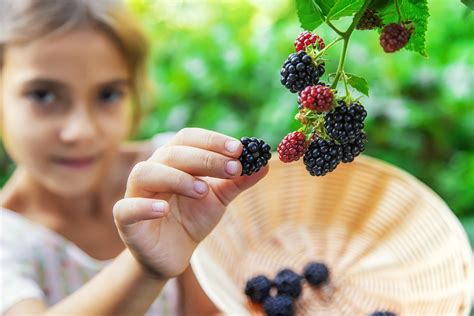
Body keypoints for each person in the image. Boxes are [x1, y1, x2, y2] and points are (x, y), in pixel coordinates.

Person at [0, 0, 269, 315]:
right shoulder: (9, 239)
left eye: (108, 95)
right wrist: (144, 268)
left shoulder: (172, 181)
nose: (80, 131)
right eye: (43, 95)